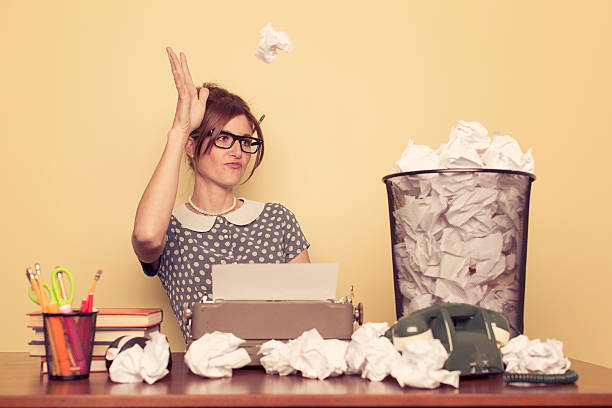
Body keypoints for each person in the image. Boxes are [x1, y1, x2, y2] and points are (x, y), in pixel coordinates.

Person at [132, 48, 310, 342]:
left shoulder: (277, 219)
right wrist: (179, 131)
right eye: (224, 139)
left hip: (281, 376)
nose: (237, 151)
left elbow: (309, 313)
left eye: (244, 141)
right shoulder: (170, 229)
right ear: (192, 147)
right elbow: (147, 237)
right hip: (208, 380)